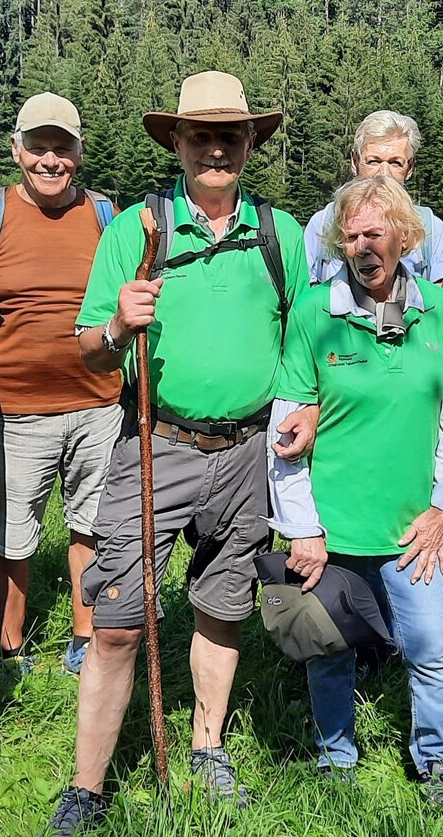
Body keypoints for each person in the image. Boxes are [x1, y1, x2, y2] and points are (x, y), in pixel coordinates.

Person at [51, 71, 309, 834]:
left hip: (251, 449)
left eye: (232, 135)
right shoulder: (139, 230)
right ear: (178, 142)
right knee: (120, 619)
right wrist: (117, 329)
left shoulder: (279, 233)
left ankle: (206, 747)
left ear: (250, 144)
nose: (218, 148)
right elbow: (89, 355)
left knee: (223, 606)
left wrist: (308, 412)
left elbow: (301, 343)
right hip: (155, 447)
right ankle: (88, 786)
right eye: (202, 135)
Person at [268, 173, 443, 804]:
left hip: (413, 530)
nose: (362, 246)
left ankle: (436, 760)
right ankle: (336, 758)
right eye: (350, 235)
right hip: (332, 529)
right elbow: (286, 425)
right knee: (327, 649)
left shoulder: (437, 309)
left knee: (429, 650)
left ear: (405, 237)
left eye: (374, 232)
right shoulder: (313, 312)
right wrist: (303, 528)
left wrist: (442, 509)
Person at [0, 93, 122, 677]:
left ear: (79, 152)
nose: (50, 161)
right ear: (16, 149)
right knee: (11, 534)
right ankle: (10, 646)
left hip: (99, 403)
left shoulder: (107, 217)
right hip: (12, 409)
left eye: (63, 148)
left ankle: (85, 635)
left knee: (92, 524)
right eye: (38, 147)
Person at [302, 110, 443, 283]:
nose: (383, 173)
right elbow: (305, 295)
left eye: (395, 163)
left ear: (410, 168)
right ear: (354, 162)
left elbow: (437, 303)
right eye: (373, 161)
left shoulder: (431, 230)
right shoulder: (323, 224)